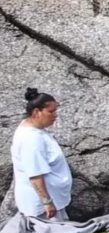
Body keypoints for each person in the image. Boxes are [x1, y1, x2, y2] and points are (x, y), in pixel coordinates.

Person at [10, 88, 73, 220]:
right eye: (51, 111)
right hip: (43, 208)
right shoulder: (31, 139)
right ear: (36, 112)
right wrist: (47, 202)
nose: (55, 115)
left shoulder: (33, 129)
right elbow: (35, 174)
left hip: (52, 201)